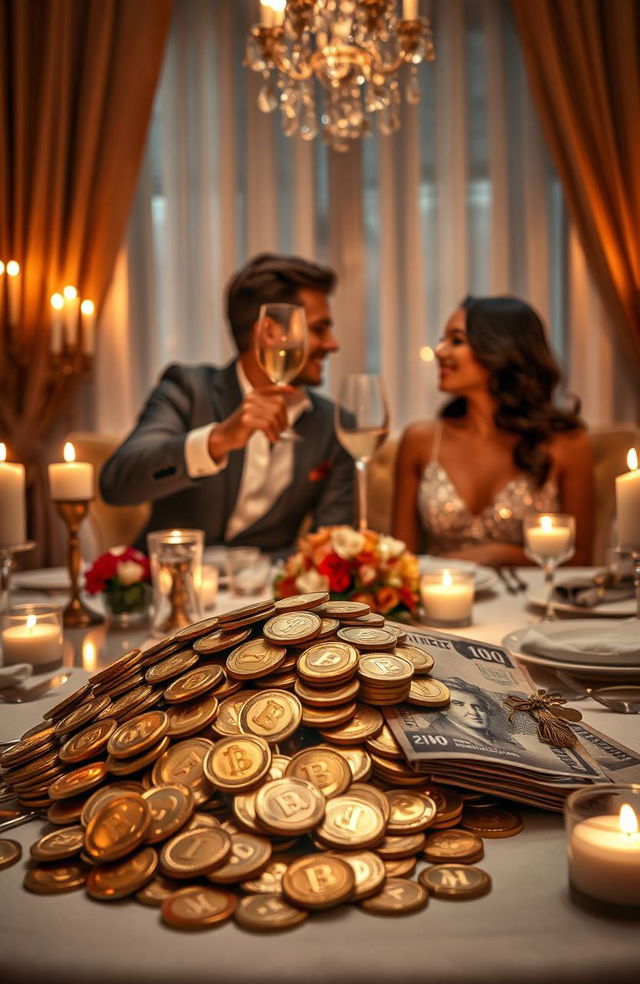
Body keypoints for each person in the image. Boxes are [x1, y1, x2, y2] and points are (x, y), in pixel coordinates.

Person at [100, 253, 355, 553]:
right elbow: (117, 483)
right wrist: (216, 441)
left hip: (265, 595)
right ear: (269, 332)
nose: (333, 344)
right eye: (318, 329)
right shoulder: (189, 390)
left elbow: (328, 545)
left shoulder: (333, 425)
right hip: (168, 589)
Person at [392, 296, 594, 566]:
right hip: (438, 602)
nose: (440, 352)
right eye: (443, 340)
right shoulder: (421, 440)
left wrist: (497, 555)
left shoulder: (566, 443)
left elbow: (580, 559)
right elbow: (399, 563)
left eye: (456, 341)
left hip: (533, 604)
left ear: (499, 349)